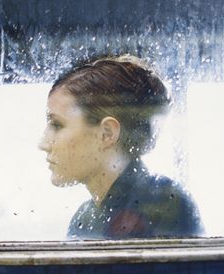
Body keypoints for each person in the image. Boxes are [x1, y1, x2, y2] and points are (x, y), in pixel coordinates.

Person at [39, 55, 203, 240]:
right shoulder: (85, 218)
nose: (43, 144)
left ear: (107, 133)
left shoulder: (164, 205)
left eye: (57, 125)